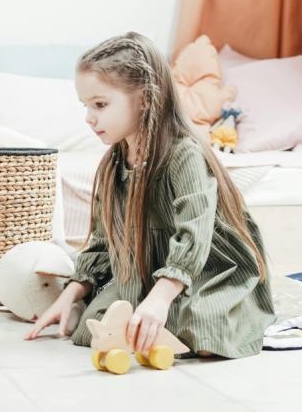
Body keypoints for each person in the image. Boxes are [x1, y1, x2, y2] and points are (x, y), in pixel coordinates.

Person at [26, 32, 275, 359]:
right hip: (143, 268)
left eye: (100, 104)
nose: (89, 117)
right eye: (86, 106)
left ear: (143, 98)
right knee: (95, 328)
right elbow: (103, 240)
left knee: (196, 329)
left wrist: (160, 297)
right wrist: (70, 294)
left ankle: (182, 305)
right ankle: (136, 306)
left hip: (205, 268)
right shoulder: (113, 163)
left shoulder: (183, 153)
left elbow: (194, 234)